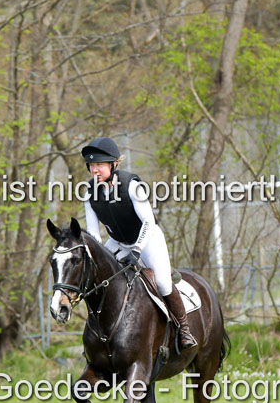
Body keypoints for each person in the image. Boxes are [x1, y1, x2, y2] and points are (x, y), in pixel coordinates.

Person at [81, 136, 197, 349]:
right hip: (117, 242)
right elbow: (93, 234)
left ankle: (184, 330)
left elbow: (148, 222)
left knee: (162, 282)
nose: (94, 170)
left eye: (99, 165)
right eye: (91, 166)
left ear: (113, 164)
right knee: (98, 276)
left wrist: (136, 250)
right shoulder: (90, 193)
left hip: (148, 238)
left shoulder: (132, 185)